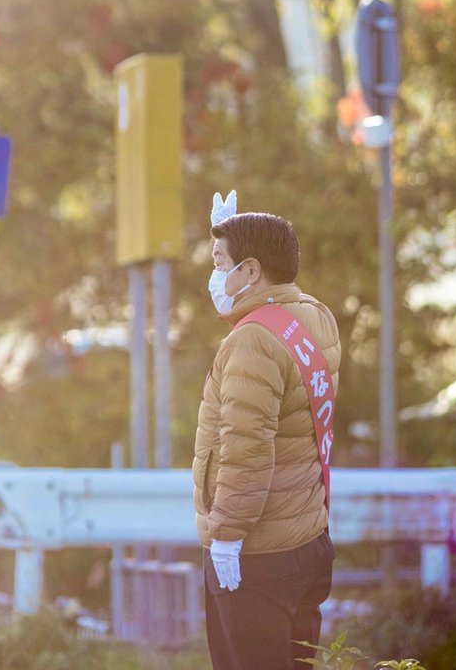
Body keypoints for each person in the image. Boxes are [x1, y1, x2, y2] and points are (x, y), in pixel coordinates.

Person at [192, 192, 341, 670]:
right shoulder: (314, 316)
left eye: (220, 262)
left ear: (251, 270)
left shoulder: (253, 340)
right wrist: (231, 234)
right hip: (306, 537)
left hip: (256, 554)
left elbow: (245, 449)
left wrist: (227, 536)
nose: (215, 275)